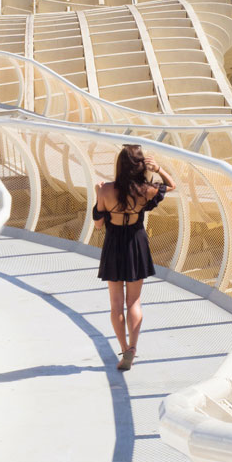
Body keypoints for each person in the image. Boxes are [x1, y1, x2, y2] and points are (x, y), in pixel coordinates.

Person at [93, 144, 176, 371]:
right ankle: (133, 348)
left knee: (116, 305)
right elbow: (171, 186)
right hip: (136, 244)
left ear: (119, 165)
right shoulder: (145, 190)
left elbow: (98, 225)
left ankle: (123, 349)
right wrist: (158, 168)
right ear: (140, 166)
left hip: (114, 246)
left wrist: (97, 194)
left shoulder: (106, 190)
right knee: (134, 302)